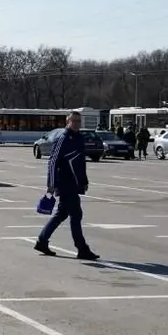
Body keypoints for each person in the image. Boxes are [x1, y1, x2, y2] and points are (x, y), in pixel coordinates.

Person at [34, 110, 99, 260]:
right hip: (64, 184)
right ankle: (82, 248)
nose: (76, 124)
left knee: (61, 214)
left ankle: (42, 241)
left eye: (78, 121)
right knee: (76, 214)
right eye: (73, 121)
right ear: (67, 122)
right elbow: (52, 162)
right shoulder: (63, 138)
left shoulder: (79, 138)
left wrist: (84, 181)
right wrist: (51, 185)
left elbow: (80, 163)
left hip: (74, 184)